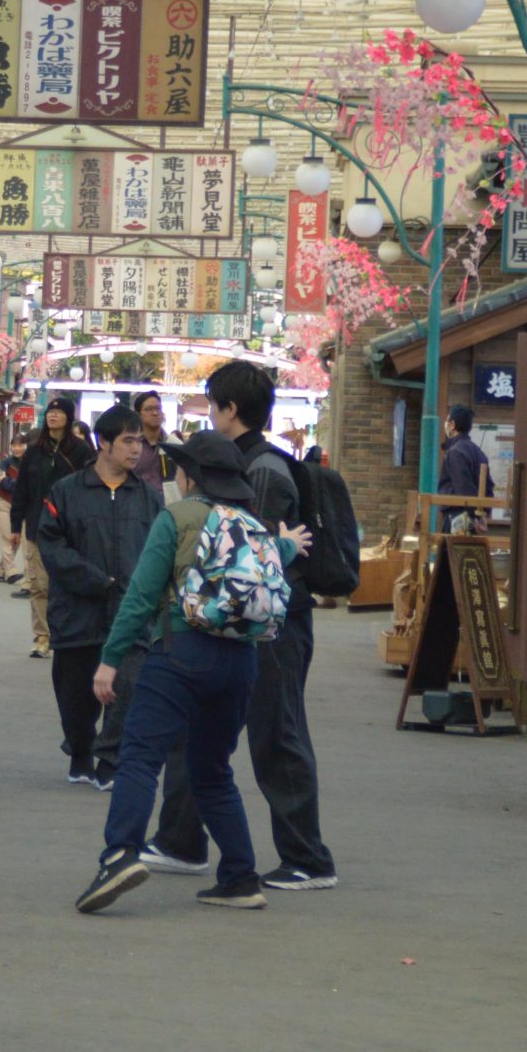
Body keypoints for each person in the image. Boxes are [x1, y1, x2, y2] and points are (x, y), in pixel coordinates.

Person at [73, 432, 307, 916]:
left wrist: (111, 659)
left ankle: (119, 855)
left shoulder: (178, 518)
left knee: (140, 756)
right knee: (212, 770)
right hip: (241, 662)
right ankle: (240, 877)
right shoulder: (252, 525)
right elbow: (267, 569)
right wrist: (286, 544)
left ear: (190, 477)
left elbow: (142, 595)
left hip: (181, 651)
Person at [160, 360, 338, 892]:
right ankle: (180, 840)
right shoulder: (251, 464)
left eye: (213, 406)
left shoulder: (262, 471)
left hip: (270, 623)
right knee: (203, 728)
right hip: (244, 619)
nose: (210, 416)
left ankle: (308, 858)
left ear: (230, 410)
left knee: (276, 734)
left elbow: (252, 555)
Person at [35, 405, 161, 791]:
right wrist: (95, 580)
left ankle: (111, 759)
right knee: (75, 696)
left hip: (130, 615)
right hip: (77, 612)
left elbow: (160, 552)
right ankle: (80, 750)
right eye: (128, 441)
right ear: (103, 443)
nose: (136, 449)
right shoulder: (67, 491)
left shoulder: (149, 498)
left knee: (128, 688)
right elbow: (51, 544)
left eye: (139, 441)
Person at [10, 397, 95, 661]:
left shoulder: (82, 451)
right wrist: (15, 526)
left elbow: (90, 488)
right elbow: (22, 491)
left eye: (58, 412)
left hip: (71, 529)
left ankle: (66, 633)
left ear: (69, 417)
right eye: (50, 411)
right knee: (39, 585)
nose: (53, 415)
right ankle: (42, 637)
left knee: (66, 583)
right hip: (37, 526)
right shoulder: (34, 451)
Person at [439, 404, 492, 533]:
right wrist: (483, 514)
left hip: (459, 517)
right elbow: (488, 486)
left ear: (452, 425)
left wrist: (474, 516)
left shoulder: (455, 452)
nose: (445, 424)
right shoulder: (478, 452)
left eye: (447, 421)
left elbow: (463, 488)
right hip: (474, 517)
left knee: (453, 547)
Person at [0, 434, 30, 581]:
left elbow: (20, 486)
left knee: (16, 539)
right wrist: (5, 481)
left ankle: (1, 571)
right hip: (4, 504)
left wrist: (7, 481)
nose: (17, 449)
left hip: (20, 506)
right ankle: (11, 572)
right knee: (8, 537)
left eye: (20, 445)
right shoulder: (6, 462)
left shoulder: (29, 462)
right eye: (14, 446)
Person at [131, 389, 170, 499]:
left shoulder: (172, 444)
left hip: (167, 503)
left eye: (158, 409)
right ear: (138, 414)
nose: (155, 413)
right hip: (137, 500)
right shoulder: (131, 445)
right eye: (149, 409)